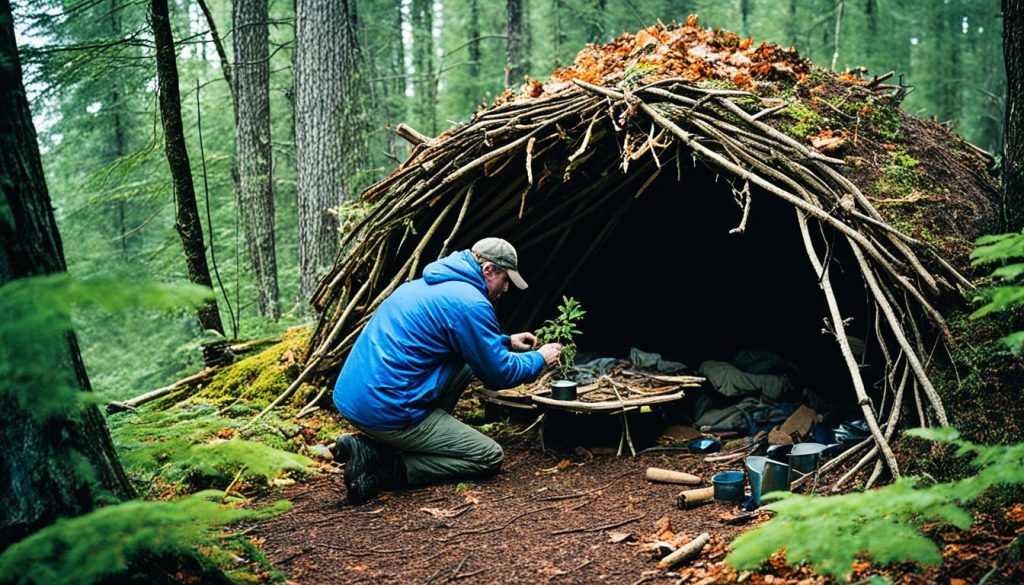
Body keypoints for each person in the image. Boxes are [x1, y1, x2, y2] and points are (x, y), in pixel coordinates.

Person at [332, 237, 562, 504]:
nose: (507, 287)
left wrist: (505, 341)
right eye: (506, 279)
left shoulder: (427, 285)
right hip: (388, 410)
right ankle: (382, 465)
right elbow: (498, 374)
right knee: (488, 456)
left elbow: (455, 336)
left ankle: (388, 442)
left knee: (464, 363)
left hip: (355, 398)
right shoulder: (471, 304)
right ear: (488, 270)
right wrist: (539, 358)